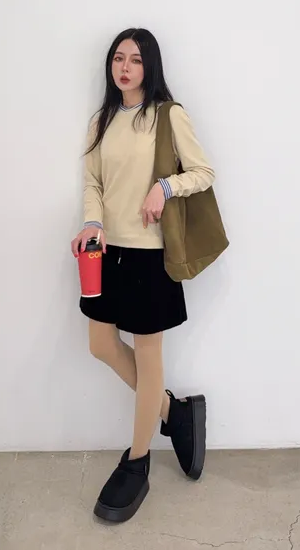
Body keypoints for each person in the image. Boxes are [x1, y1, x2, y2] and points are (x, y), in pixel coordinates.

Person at [71, 28, 215, 523]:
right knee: (100, 344)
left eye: (135, 59)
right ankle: (174, 412)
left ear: (149, 66)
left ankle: (137, 461)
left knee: (149, 357)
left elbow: (204, 172)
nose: (125, 67)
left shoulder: (168, 116)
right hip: (106, 251)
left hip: (151, 255)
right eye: (118, 58)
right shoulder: (102, 120)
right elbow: (93, 181)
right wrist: (92, 222)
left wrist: (165, 187)